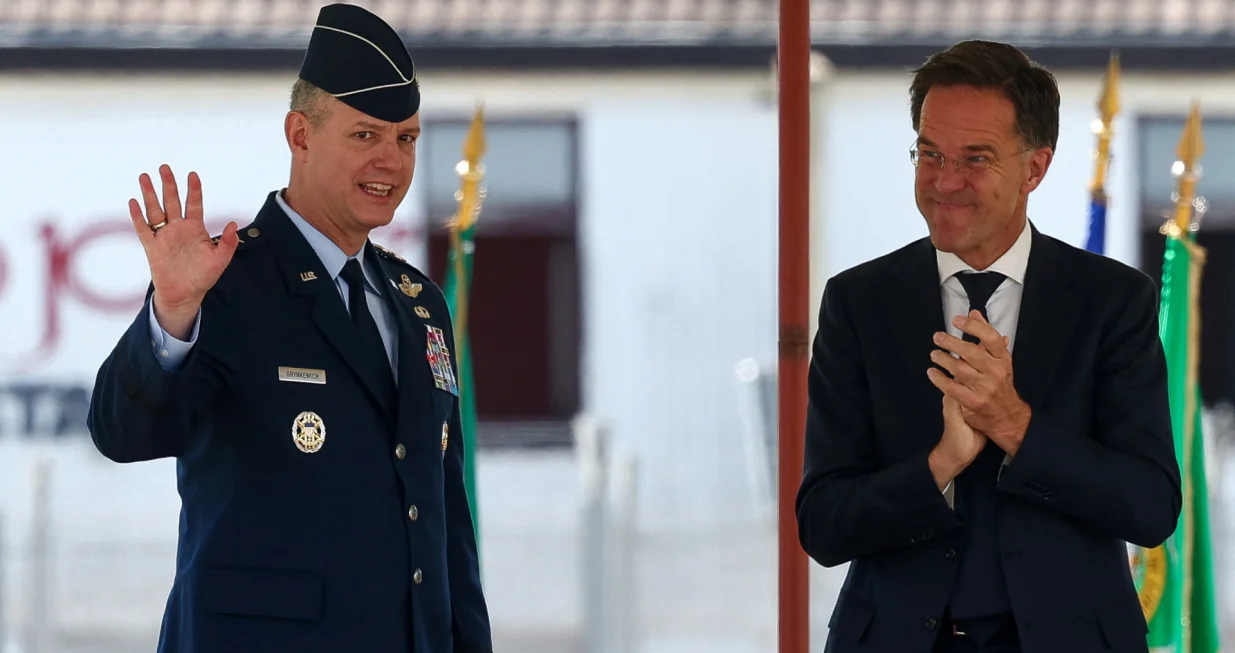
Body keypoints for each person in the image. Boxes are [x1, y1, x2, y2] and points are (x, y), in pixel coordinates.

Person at [85, 4, 492, 652]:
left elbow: (445, 523)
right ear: (300, 135)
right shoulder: (226, 281)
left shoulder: (419, 304)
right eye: (365, 136)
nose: (390, 160)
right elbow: (122, 431)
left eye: (407, 139)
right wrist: (172, 312)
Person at [795, 40, 1182, 653]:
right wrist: (940, 463)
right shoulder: (858, 302)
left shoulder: (1114, 301)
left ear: (1035, 167)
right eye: (929, 153)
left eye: (975, 158)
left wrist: (1016, 426)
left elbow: (1151, 508)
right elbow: (824, 525)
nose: (945, 182)